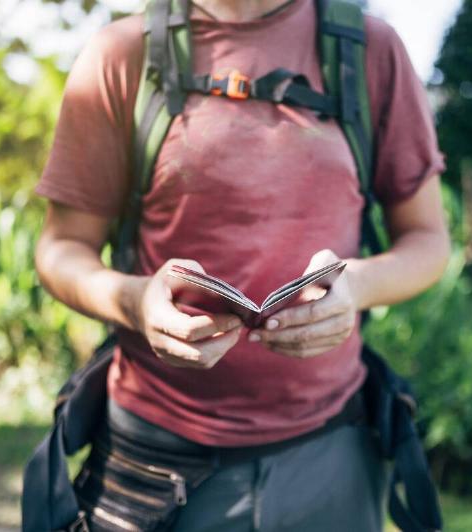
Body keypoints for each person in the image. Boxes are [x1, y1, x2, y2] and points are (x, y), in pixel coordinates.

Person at [33, 0, 450, 529]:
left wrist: (358, 285)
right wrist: (136, 302)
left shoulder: (369, 52)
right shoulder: (123, 55)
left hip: (332, 459)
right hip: (156, 461)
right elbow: (61, 247)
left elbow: (429, 239)